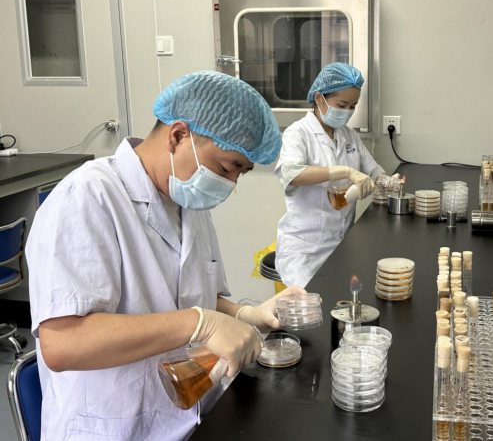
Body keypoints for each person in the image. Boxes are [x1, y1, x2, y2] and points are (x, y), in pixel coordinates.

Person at [27, 71, 307, 441]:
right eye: (227, 167)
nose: (231, 184)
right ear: (177, 135)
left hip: (190, 413)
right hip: (114, 428)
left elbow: (193, 298)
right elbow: (62, 344)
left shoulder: (187, 201)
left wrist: (245, 314)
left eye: (242, 172)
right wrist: (201, 323)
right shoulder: (87, 198)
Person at [274, 63, 394, 287]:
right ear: (319, 98)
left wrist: (387, 181)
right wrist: (345, 172)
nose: (347, 111)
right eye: (342, 105)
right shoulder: (298, 133)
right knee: (312, 304)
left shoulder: (349, 135)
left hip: (342, 243)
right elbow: (291, 174)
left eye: (353, 106)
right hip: (305, 250)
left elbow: (373, 169)